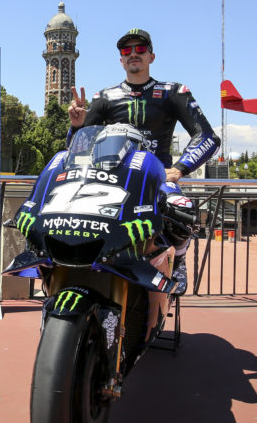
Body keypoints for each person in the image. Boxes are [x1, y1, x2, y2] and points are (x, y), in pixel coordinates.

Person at [67, 27, 220, 295]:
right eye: (127, 50)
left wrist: (180, 168)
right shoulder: (104, 97)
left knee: (184, 210)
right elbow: (76, 147)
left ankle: (179, 262)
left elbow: (207, 136)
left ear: (151, 56)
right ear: (121, 60)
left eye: (140, 49)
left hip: (156, 178)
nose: (133, 54)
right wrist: (77, 126)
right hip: (112, 178)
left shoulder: (173, 91)